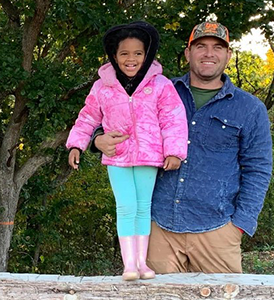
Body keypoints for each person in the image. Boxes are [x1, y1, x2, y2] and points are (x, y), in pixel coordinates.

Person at [92, 21, 273, 274]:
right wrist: (97, 138)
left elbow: (258, 169)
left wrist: (240, 224)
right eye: (200, 46)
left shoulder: (250, 108)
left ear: (228, 55)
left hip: (217, 231)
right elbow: (118, 115)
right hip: (159, 229)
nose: (209, 53)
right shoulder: (157, 88)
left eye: (217, 47)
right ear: (188, 52)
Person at [66, 21, 188, 280]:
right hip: (117, 156)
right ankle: (129, 264)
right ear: (114, 56)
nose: (131, 59)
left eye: (137, 53)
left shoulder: (161, 85)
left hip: (149, 155)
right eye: (124, 53)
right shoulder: (103, 87)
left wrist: (174, 151)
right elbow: (88, 116)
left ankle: (142, 263)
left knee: (143, 207)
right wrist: (77, 143)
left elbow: (173, 118)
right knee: (125, 207)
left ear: (147, 55)